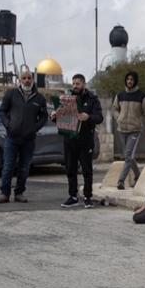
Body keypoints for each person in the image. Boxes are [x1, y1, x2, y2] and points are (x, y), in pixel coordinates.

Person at [0, 70, 48, 203]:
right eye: (24, 78)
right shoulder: (11, 94)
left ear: (33, 80)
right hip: (12, 137)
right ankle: (4, 193)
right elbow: (2, 111)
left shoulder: (39, 98)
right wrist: (9, 124)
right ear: (19, 80)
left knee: (24, 167)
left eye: (29, 78)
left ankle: (19, 193)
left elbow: (43, 116)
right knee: (8, 165)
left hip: (29, 139)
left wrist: (35, 127)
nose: (26, 81)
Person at [52, 74, 104, 208]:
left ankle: (87, 197)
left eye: (78, 84)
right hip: (69, 140)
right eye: (73, 84)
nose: (75, 86)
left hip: (85, 140)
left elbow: (99, 117)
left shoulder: (92, 100)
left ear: (84, 84)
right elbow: (62, 116)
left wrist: (88, 117)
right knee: (70, 169)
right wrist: (54, 116)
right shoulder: (67, 99)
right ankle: (73, 196)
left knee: (87, 170)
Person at [111, 70, 145, 190]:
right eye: (128, 79)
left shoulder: (142, 96)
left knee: (128, 155)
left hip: (134, 130)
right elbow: (114, 108)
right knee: (129, 156)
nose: (129, 81)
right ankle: (138, 175)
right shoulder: (120, 95)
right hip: (122, 129)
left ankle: (121, 180)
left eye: (132, 80)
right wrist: (118, 118)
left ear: (135, 81)